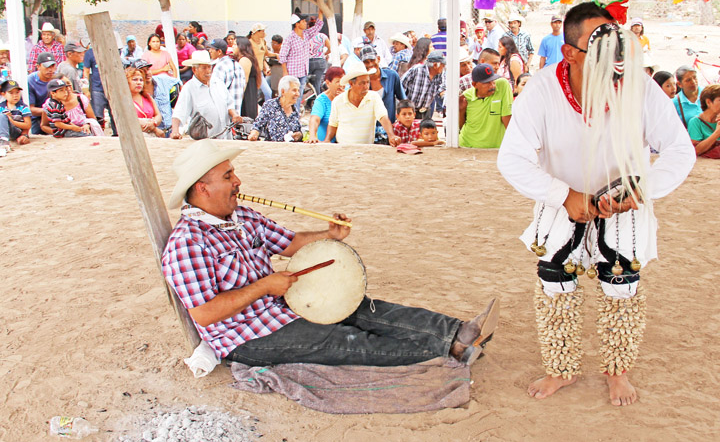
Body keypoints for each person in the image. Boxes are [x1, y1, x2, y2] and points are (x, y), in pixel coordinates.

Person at [497, 2, 695, 405]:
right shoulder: (541, 88)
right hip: (561, 202)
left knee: (622, 286)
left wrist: (641, 191)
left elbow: (679, 150)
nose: (612, 51)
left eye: (615, 40)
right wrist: (563, 196)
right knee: (555, 285)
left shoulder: (639, 86)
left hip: (625, 206)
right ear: (570, 52)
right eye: (597, 42)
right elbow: (511, 158)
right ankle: (560, 368)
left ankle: (618, 372)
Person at [160, 140, 499, 367]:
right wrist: (264, 287)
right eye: (228, 176)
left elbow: (289, 242)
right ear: (202, 188)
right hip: (247, 337)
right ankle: (445, 354)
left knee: (364, 309)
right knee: (348, 341)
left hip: (285, 305)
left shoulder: (243, 215)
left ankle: (459, 331)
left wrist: (329, 235)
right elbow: (204, 314)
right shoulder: (187, 244)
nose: (238, 181)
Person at [171, 50, 240, 140]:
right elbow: (179, 112)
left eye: (209, 67)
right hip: (205, 141)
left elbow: (229, 104)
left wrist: (234, 115)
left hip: (226, 137)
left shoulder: (217, 83)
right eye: (204, 68)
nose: (208, 71)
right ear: (194, 69)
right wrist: (175, 131)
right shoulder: (189, 88)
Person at [327, 65, 401, 146]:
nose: (366, 86)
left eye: (367, 82)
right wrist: (327, 140)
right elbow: (333, 124)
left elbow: (383, 117)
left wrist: (391, 135)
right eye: (362, 83)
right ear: (351, 83)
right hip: (343, 147)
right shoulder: (338, 101)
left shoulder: (374, 97)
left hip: (367, 148)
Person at [459, 63, 512, 149]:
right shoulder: (465, 97)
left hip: (495, 148)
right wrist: (461, 111)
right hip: (468, 146)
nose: (492, 86)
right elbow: (460, 126)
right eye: (487, 83)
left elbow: (507, 117)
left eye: (493, 80)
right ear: (475, 84)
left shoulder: (502, 85)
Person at [280, 10, 324, 93]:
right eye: (303, 21)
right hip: (293, 72)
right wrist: (285, 72)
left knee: (299, 94)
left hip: (303, 71)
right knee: (292, 93)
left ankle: (296, 106)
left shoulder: (306, 34)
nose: (305, 23)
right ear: (297, 24)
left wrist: (320, 13)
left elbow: (318, 26)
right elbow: (282, 56)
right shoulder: (290, 38)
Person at [249, 76, 304, 142]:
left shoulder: (295, 112)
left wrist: (299, 135)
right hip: (272, 148)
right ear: (283, 91)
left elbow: (298, 132)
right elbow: (257, 126)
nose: (297, 94)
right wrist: (254, 134)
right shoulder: (270, 105)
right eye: (294, 90)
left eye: (298, 90)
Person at [360, 45, 405, 123]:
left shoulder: (392, 76)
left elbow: (403, 100)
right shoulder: (360, 81)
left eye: (372, 60)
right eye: (366, 62)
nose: (370, 64)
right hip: (369, 127)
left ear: (378, 59)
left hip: (390, 126)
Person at [400, 51, 446, 120]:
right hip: (409, 111)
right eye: (442, 65)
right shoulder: (417, 70)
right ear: (435, 65)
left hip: (425, 111)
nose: (444, 67)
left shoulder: (440, 75)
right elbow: (401, 87)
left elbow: (441, 89)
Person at [124, 66, 164, 137]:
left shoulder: (148, 97)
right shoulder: (124, 100)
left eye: (141, 80)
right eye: (135, 80)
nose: (138, 83)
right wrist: (154, 129)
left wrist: (154, 123)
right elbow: (127, 120)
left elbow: (158, 115)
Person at [308, 66, 345, 144]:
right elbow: (315, 119)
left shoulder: (348, 97)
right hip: (326, 143)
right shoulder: (321, 100)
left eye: (343, 81)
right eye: (338, 81)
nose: (341, 85)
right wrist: (312, 136)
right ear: (328, 83)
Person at [209, 39, 246, 114]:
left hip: (224, 111)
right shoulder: (237, 65)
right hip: (236, 111)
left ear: (219, 52)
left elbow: (216, 91)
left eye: (212, 49)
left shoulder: (220, 67)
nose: (210, 51)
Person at [27, 52, 57, 135]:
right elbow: (30, 109)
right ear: (38, 66)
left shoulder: (57, 78)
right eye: (47, 67)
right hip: (37, 118)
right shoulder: (31, 81)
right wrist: (49, 111)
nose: (50, 70)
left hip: (57, 116)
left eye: (52, 66)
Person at [233, 37, 262, 120]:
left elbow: (243, 82)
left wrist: (239, 99)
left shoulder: (244, 60)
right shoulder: (248, 59)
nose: (233, 47)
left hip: (246, 95)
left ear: (241, 46)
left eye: (235, 44)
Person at [0, 79, 32, 151]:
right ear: (3, 94)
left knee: (3, 116)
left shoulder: (23, 107)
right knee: (2, 116)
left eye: (17, 92)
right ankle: (3, 139)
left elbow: (28, 125)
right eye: (11, 93)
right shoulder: (1, 107)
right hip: (3, 131)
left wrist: (12, 121)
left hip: (17, 132)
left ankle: (4, 141)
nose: (15, 96)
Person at [307, 30, 330, 95]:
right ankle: (318, 97)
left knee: (305, 81)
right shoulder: (322, 36)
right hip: (320, 61)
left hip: (309, 61)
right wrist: (323, 54)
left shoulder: (305, 36)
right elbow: (330, 48)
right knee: (317, 82)